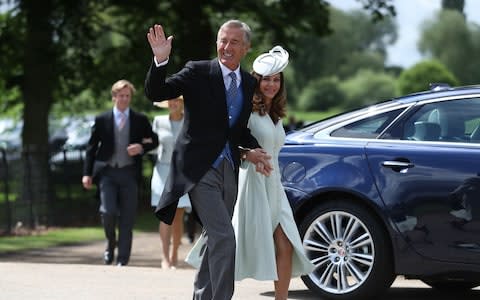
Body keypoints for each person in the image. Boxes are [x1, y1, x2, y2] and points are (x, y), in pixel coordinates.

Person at [145, 20, 272, 300]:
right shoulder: (198, 71)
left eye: (234, 42)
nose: (226, 47)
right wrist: (160, 59)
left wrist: (254, 150)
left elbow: (236, 130)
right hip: (199, 171)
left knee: (215, 239)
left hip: (229, 170)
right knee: (226, 238)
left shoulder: (249, 83)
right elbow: (157, 92)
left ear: (246, 48)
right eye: (222, 40)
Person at [186, 46, 315, 300]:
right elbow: (227, 141)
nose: (271, 84)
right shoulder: (245, 109)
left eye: (276, 80)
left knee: (286, 245)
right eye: (266, 79)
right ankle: (207, 294)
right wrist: (247, 155)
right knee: (229, 247)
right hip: (249, 186)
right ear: (257, 80)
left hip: (274, 187)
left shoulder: (276, 114)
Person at [82, 79, 159, 266]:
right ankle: (110, 243)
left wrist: (141, 147)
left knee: (127, 216)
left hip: (129, 173)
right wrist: (87, 173)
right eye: (121, 95)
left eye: (127, 96)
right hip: (107, 172)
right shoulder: (102, 120)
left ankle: (123, 259)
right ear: (114, 97)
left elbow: (154, 141)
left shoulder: (140, 119)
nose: (124, 99)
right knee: (108, 212)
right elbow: (91, 147)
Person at [151, 96, 191, 269]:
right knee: (164, 215)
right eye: (171, 100)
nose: (173, 103)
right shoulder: (158, 121)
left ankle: (175, 252)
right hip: (162, 172)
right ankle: (164, 257)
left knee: (178, 216)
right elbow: (152, 145)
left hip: (182, 173)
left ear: (182, 103)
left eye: (177, 100)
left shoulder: (189, 122)